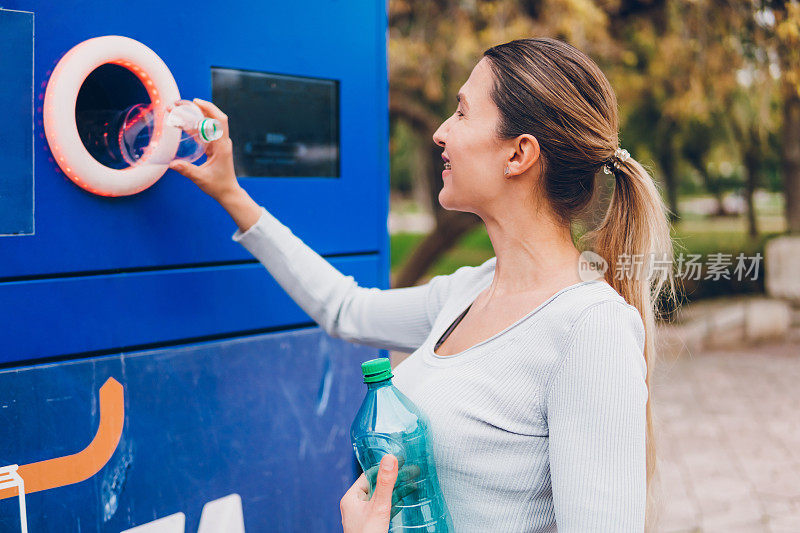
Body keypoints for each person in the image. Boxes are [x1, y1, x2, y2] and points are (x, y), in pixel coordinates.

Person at [170, 37, 674, 532]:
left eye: (461, 113)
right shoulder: (469, 291)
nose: (439, 132)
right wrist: (231, 193)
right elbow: (346, 309)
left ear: (519, 154)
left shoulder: (589, 329)